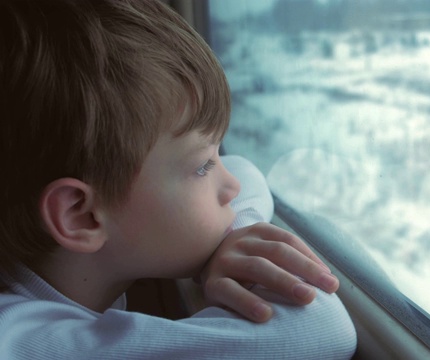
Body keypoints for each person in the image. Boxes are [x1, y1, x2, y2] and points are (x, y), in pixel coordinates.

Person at [0, 0, 357, 358]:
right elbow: (322, 329)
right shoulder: (27, 345)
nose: (231, 186)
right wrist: (242, 254)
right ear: (81, 215)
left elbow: (244, 169)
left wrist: (239, 241)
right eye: (204, 167)